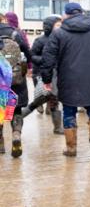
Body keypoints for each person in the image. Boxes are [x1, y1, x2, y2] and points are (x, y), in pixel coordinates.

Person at [40, 2, 90, 158]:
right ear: (82, 13)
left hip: (67, 80)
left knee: (69, 112)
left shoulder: (58, 33)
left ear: (66, 15)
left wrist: (46, 79)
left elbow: (48, 58)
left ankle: (71, 148)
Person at [23, 15, 63, 134]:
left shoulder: (61, 39)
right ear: (49, 26)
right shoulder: (40, 40)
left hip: (55, 75)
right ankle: (18, 118)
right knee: (41, 100)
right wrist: (45, 60)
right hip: (42, 74)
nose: (60, 28)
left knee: (53, 99)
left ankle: (57, 127)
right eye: (57, 25)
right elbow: (31, 56)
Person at [0, 13, 32, 157]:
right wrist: (29, 67)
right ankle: (16, 135)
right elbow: (27, 52)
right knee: (15, 109)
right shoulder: (15, 33)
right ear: (4, 20)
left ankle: (1, 144)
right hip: (15, 78)